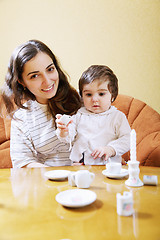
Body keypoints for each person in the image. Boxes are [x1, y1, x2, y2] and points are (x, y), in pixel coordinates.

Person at [0, 40, 81, 168]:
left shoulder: (82, 99)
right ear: (21, 82)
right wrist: (62, 175)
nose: (47, 81)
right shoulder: (22, 119)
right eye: (34, 76)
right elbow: (22, 163)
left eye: (50, 69)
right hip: (48, 182)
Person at [56, 65, 131, 165]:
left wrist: (111, 149)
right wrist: (63, 131)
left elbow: (128, 139)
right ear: (82, 96)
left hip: (108, 166)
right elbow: (68, 137)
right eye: (88, 94)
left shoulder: (117, 117)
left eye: (101, 94)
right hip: (81, 166)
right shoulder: (79, 115)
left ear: (112, 96)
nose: (94, 99)